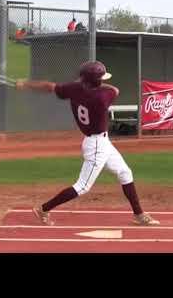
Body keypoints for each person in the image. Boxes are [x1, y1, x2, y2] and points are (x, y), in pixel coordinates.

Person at [15, 61, 160, 226]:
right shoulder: (101, 96)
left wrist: (26, 84)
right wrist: (93, 82)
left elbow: (49, 86)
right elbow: (115, 90)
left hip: (99, 142)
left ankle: (139, 214)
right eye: (100, 78)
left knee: (125, 172)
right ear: (96, 81)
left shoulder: (74, 89)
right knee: (83, 186)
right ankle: (43, 209)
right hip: (97, 144)